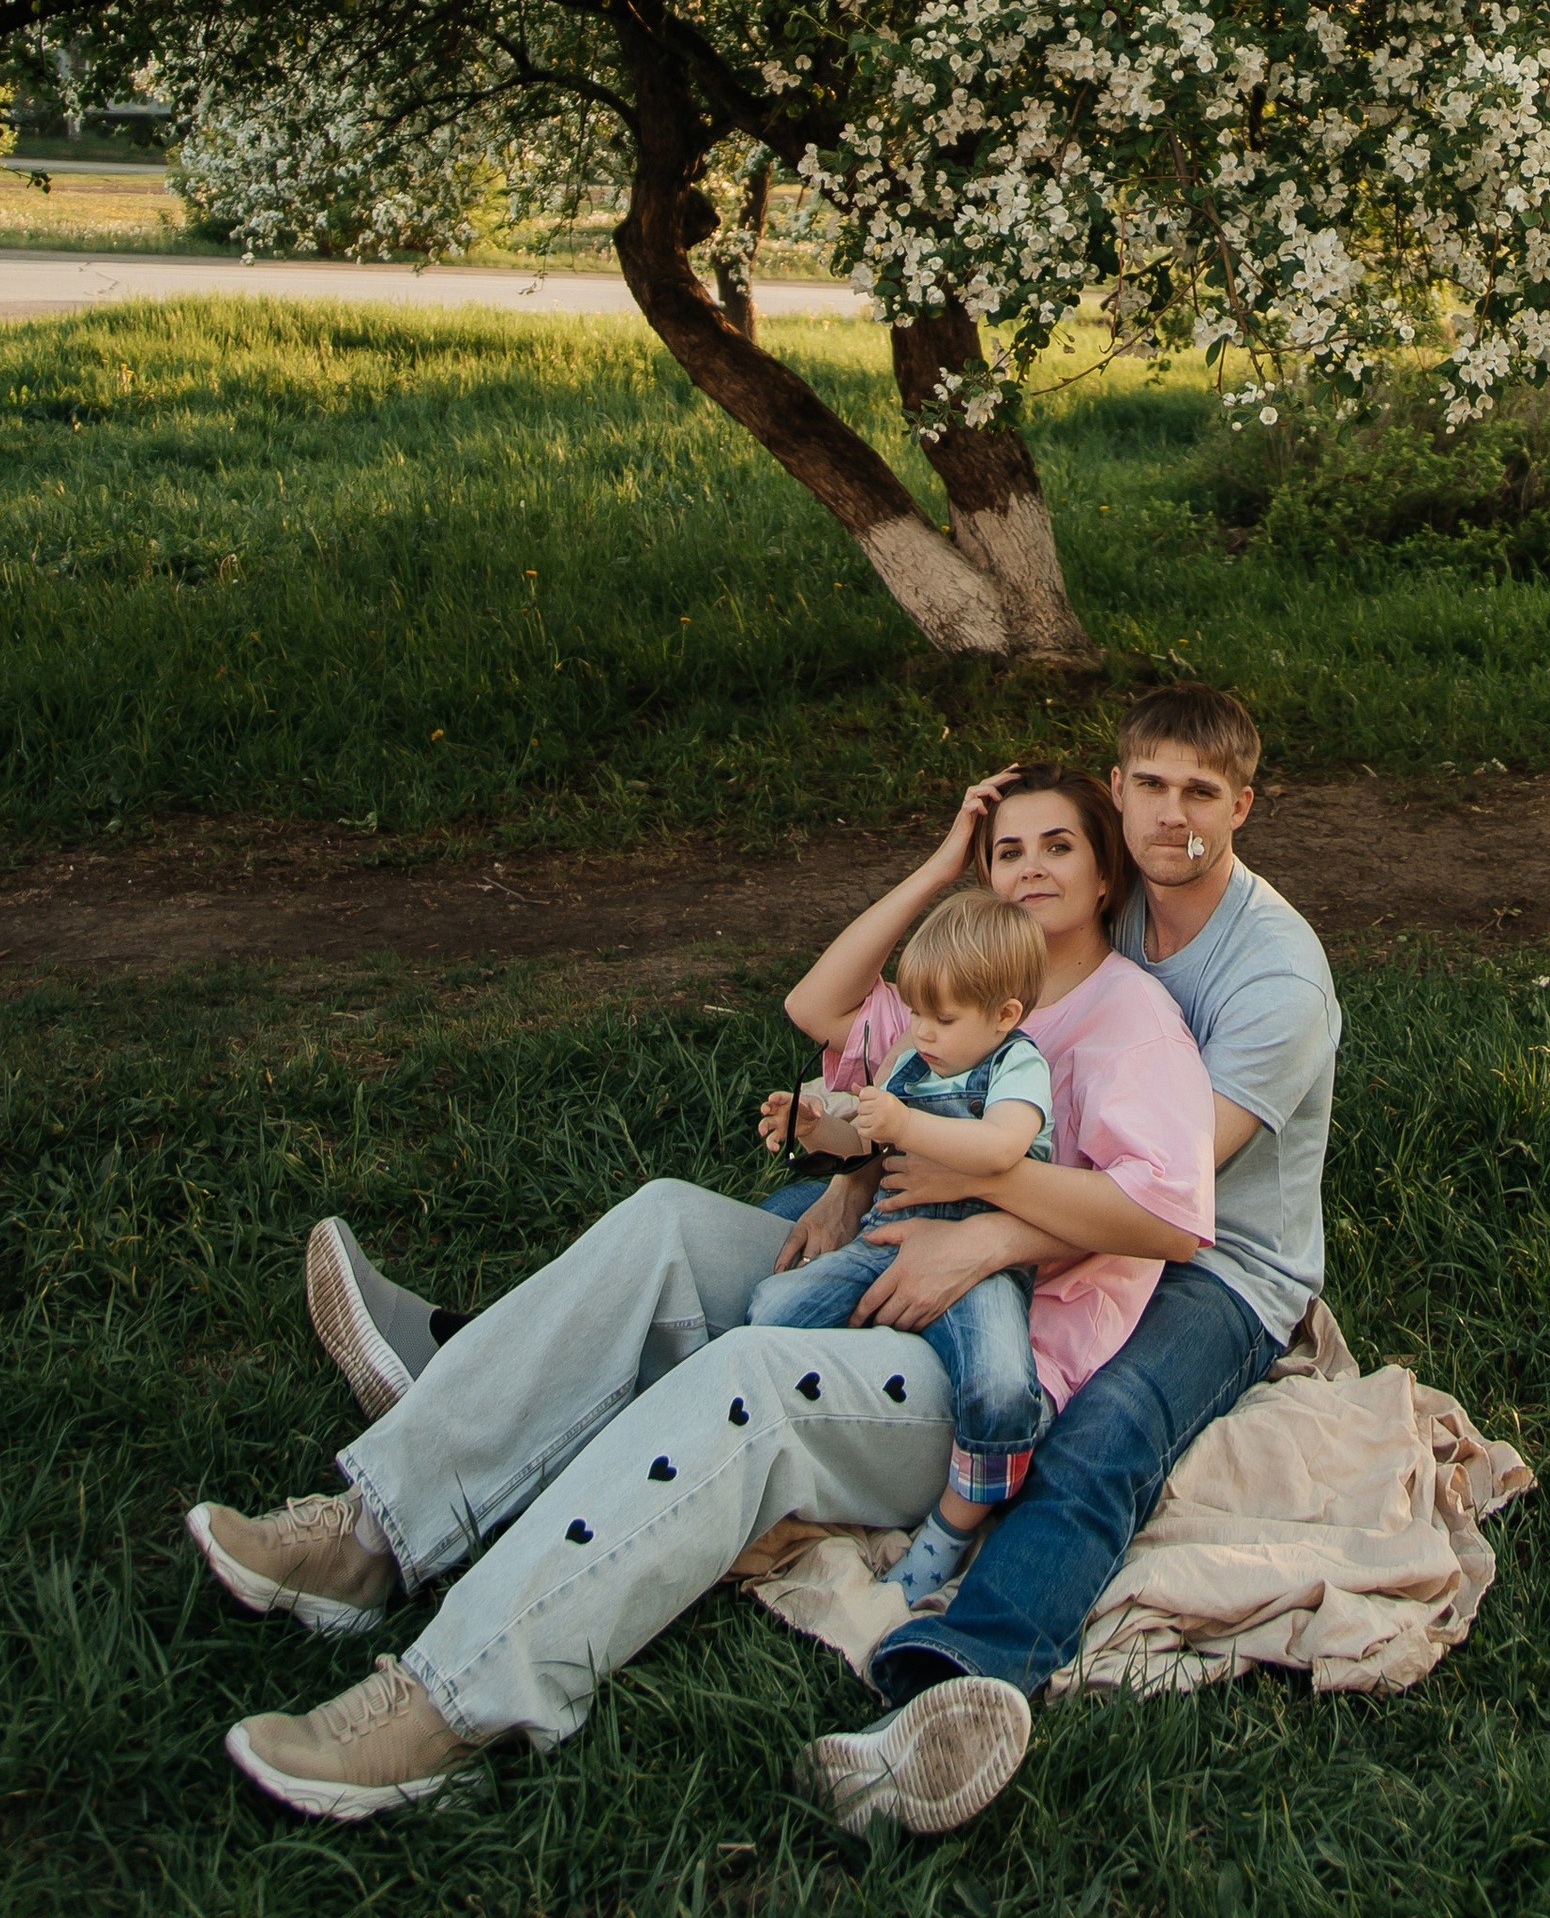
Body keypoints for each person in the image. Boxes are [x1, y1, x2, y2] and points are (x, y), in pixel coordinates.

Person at [187, 763, 1211, 1832]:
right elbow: (819, 1018)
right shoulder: (949, 987)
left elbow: (1168, 1216)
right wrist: (851, 1144)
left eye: (1060, 848)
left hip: (978, 1374)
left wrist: (989, 1216)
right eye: (1009, 850)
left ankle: (450, 1706)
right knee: (667, 1220)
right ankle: (374, 1531)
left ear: (1104, 878)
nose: (1032, 869)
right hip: (871, 1270)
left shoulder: (1129, 1021)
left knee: (744, 1379)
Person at [794, 682, 1340, 1836]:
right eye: (1148, 785)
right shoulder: (1110, 905)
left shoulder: (1274, 977)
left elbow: (1169, 1205)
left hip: (1215, 1260)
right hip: (1045, 1182)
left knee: (1104, 1431)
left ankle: (954, 1686)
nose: (1170, 813)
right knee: (808, 1257)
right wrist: (858, 1175)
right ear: (1121, 795)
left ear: (1244, 805)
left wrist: (983, 1226)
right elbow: (912, 1035)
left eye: (1201, 792)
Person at [747, 885, 1056, 1604]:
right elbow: (859, 1141)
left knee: (1004, 1387)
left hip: (976, 1263)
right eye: (915, 1011)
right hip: (887, 1236)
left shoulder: (1018, 1068)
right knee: (771, 1309)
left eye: (942, 1018)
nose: (921, 1031)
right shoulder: (912, 1060)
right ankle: (829, 1427)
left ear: (1004, 1015)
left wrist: (909, 1127)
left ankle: (951, 1529)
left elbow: (1004, 1146)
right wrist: (815, 1128)